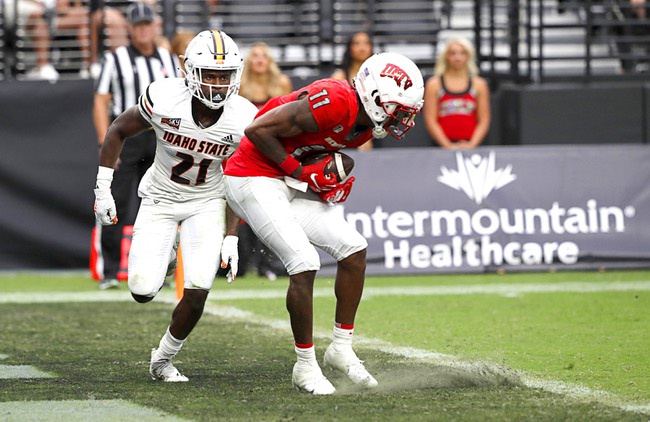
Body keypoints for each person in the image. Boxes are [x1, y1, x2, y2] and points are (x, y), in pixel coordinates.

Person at [223, 52, 424, 394]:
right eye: (399, 110)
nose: (402, 120)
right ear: (375, 98)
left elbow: (305, 148)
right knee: (304, 262)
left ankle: (341, 348)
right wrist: (302, 173)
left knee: (354, 249)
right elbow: (256, 130)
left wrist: (320, 179)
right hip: (251, 174)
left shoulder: (363, 128)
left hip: (286, 179)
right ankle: (305, 366)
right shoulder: (335, 101)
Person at [94, 30, 258, 381]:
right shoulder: (165, 98)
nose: (217, 85)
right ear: (190, 72)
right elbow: (117, 130)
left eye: (224, 76)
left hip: (207, 201)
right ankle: (167, 255)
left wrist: (231, 235)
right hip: (160, 197)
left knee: (198, 287)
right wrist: (102, 190)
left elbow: (238, 178)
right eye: (210, 75)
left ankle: (163, 358)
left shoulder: (244, 118)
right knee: (141, 291)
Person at [92, 1, 180, 290]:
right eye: (138, 25)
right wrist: (105, 141)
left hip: (160, 137)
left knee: (159, 204)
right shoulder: (115, 58)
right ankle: (108, 270)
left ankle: (157, 269)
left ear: (154, 26)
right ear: (130, 29)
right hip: (126, 136)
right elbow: (101, 100)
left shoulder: (167, 58)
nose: (143, 30)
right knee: (114, 201)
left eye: (147, 24)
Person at [237, 42, 292, 280]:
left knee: (273, 206)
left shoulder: (282, 84)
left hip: (273, 152)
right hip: (246, 150)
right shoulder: (240, 86)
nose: (259, 60)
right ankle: (241, 261)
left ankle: (269, 263)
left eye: (263, 56)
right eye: (255, 56)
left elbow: (292, 117)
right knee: (243, 208)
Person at [423, 37, 491, 149]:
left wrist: (471, 145)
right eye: (452, 53)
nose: (457, 58)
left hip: (472, 147)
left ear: (468, 56)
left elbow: (484, 120)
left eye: (462, 53)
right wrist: (448, 146)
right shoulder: (434, 84)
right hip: (441, 148)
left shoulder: (479, 85)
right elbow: (431, 120)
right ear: (446, 57)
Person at [3, 0, 89, 80]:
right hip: (17, 5)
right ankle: (42, 68)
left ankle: (88, 68)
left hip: (49, 13)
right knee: (39, 14)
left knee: (84, 16)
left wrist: (61, 5)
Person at [331, 31, 374, 151]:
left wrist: (367, 136)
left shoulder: (379, 77)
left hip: (374, 133)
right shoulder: (339, 77)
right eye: (357, 43)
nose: (362, 48)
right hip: (344, 134)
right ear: (349, 48)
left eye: (366, 43)